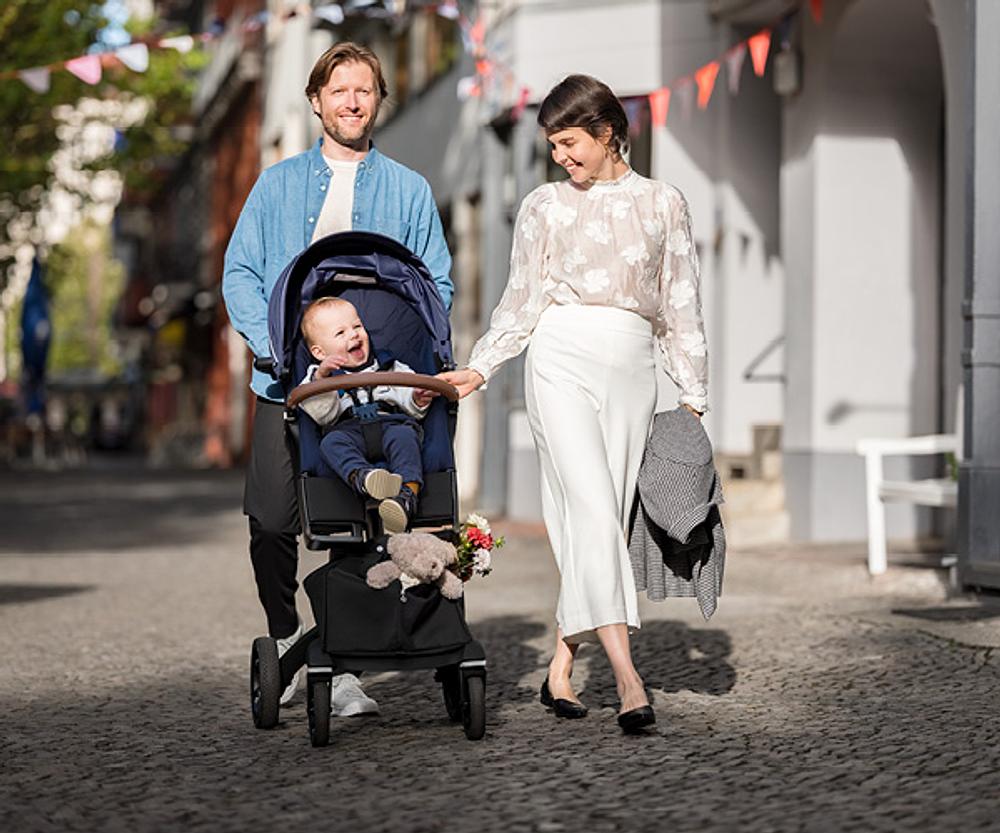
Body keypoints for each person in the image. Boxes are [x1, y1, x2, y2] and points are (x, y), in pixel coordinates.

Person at [440, 74, 709, 733]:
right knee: (589, 509)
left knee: (606, 524)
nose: (560, 155)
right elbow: (522, 297)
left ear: (609, 130)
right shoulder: (543, 206)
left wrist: (694, 392)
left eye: (569, 142)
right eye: (552, 145)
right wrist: (481, 364)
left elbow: (680, 304)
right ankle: (627, 678)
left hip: (632, 367)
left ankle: (561, 663)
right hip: (559, 356)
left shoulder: (663, 202)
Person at [222, 42, 453, 716]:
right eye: (339, 90)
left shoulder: (408, 188)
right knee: (270, 522)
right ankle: (289, 631)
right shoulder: (277, 184)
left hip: (374, 391)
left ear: (379, 100)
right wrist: (271, 347)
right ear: (317, 100)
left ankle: (344, 657)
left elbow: (433, 279)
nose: (352, 101)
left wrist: (418, 359)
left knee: (358, 515)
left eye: (365, 90)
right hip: (286, 382)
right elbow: (240, 271)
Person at [298, 297, 434, 533]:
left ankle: (405, 498)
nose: (353, 335)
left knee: (405, 437)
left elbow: (409, 399)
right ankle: (366, 478)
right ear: (319, 352)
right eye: (340, 333)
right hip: (348, 430)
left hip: (390, 423)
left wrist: (416, 398)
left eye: (357, 326)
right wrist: (322, 377)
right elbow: (323, 416)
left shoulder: (390, 366)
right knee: (331, 442)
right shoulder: (319, 377)